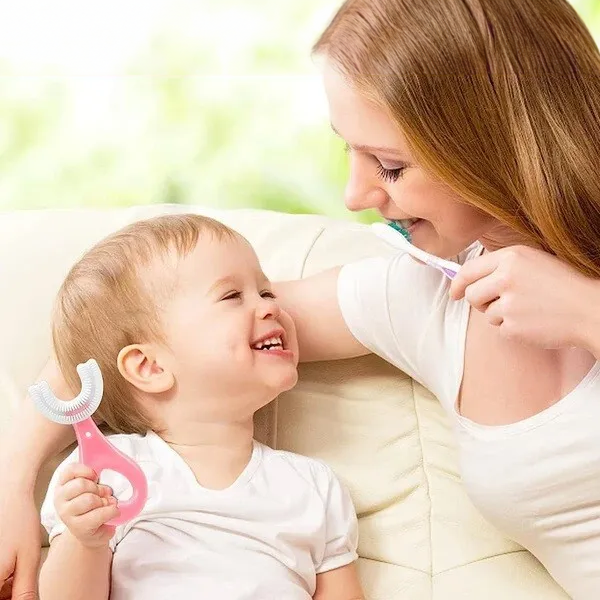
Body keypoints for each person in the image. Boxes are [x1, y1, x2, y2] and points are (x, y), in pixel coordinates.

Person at [2, 0, 600, 598]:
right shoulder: (422, 299)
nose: (354, 194)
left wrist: (585, 312)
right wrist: (11, 482)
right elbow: (121, 334)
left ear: (492, 145)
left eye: (390, 167)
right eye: (350, 150)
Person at [36, 214, 363, 600]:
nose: (270, 308)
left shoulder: (315, 487)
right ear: (150, 367)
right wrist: (86, 542)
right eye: (231, 296)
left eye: (267, 292)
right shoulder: (105, 476)